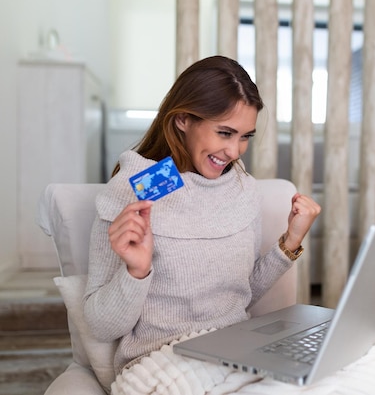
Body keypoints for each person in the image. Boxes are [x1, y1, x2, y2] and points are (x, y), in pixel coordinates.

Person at [83, 55, 321, 375]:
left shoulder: (241, 188)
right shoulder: (131, 191)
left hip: (236, 353)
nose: (234, 152)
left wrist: (290, 242)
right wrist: (135, 272)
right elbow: (101, 326)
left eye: (245, 136)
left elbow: (241, 296)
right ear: (182, 119)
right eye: (224, 133)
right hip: (161, 363)